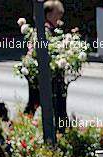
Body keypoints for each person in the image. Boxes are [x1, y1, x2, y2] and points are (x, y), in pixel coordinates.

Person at [25, 0, 68, 130]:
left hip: (47, 74)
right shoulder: (44, 30)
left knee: (36, 103)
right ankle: (25, 126)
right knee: (37, 103)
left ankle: (25, 126)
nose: (59, 17)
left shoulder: (53, 30)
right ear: (48, 15)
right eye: (57, 14)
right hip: (42, 75)